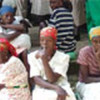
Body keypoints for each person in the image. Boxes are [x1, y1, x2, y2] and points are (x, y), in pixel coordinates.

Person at [28, 26, 76, 100]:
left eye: (49, 40)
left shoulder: (63, 57)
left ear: (54, 42)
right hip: (42, 87)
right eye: (42, 40)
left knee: (67, 96)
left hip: (61, 84)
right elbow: (36, 79)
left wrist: (44, 60)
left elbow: (52, 79)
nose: (45, 43)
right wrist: (56, 88)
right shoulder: (32, 56)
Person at [76, 26, 100, 100]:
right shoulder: (85, 52)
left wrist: (98, 59)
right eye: (95, 42)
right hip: (86, 84)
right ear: (91, 42)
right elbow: (85, 78)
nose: (99, 44)